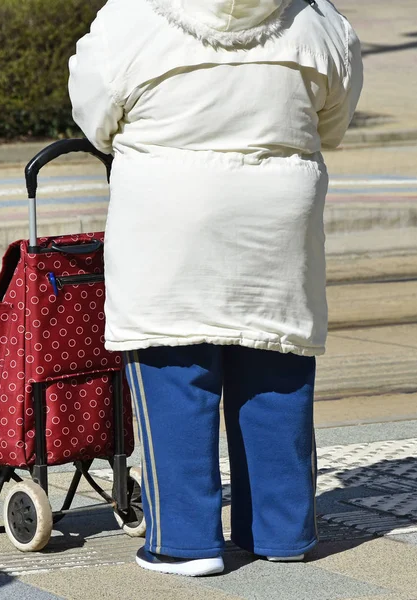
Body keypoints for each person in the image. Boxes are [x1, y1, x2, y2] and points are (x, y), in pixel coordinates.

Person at [68, 0, 363, 577]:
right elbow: (334, 118)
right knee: (275, 361)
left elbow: (93, 114)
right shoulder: (315, 19)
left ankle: (183, 542)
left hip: (169, 220)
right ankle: (281, 533)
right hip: (277, 223)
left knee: (173, 368)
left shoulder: (130, 17)